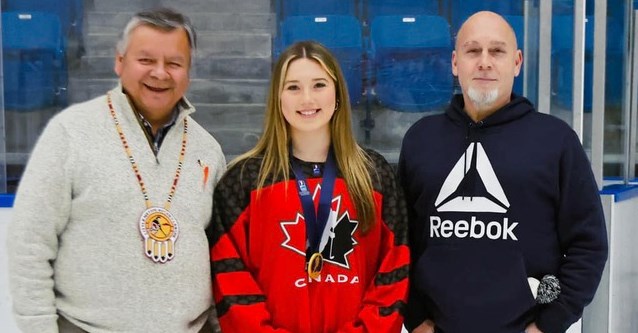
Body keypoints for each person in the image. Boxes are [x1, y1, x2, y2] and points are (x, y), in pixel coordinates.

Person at [7, 8, 226, 332]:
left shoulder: (207, 150)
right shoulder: (70, 132)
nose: (160, 73)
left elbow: (221, 256)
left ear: (188, 73)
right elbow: (29, 243)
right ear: (119, 62)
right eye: (146, 60)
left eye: (174, 63)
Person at [399, 11, 608, 333]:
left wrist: (550, 323)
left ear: (517, 62)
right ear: (456, 63)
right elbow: (400, 240)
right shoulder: (420, 139)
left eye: (497, 51)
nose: (484, 62)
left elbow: (589, 243)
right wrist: (413, 316)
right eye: (473, 51)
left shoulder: (555, 140)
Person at [206, 40, 409, 332]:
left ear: (337, 93)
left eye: (318, 85)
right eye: (293, 87)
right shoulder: (243, 180)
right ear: (278, 99)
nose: (307, 99)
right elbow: (230, 278)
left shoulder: (374, 174)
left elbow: (394, 270)